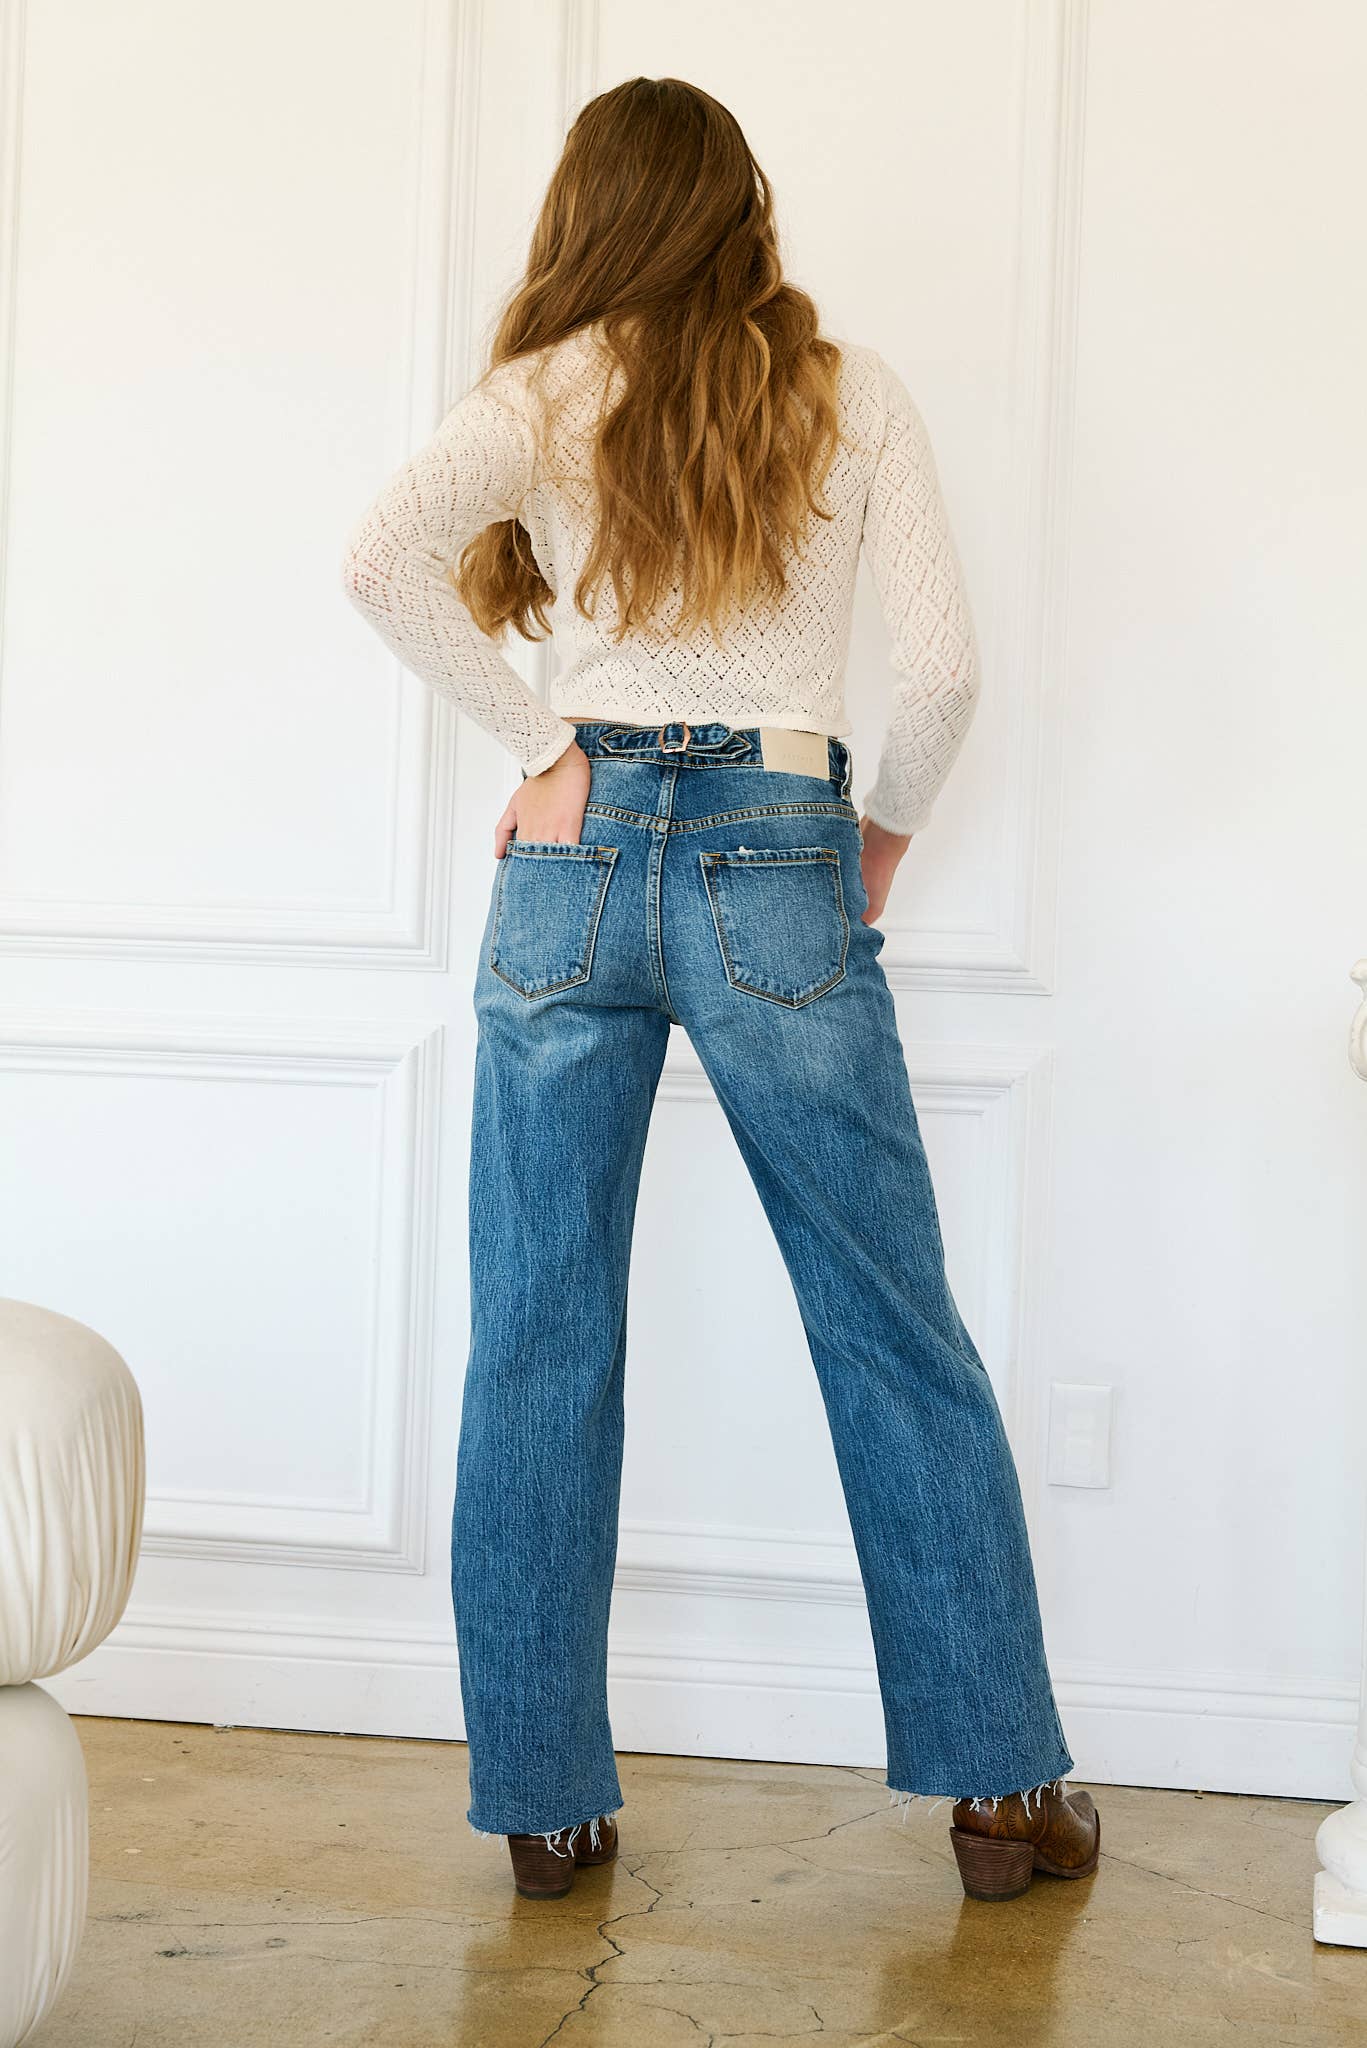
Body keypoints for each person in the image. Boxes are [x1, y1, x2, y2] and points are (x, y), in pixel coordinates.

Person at [341, 74, 1100, 1907]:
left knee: (538, 1333)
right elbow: (942, 675)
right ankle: (1004, 1792)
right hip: (778, 853)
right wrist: (877, 843)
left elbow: (379, 563)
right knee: (891, 1325)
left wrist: (545, 748)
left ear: (590, 213)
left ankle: (546, 1807)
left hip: (573, 871)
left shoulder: (543, 393)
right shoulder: (847, 392)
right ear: (741, 208)